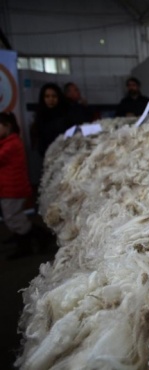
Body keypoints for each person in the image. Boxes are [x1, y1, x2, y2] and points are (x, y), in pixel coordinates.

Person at [0, 112, 35, 259]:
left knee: (13, 217)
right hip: (9, 188)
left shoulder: (11, 144)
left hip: (13, 190)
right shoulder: (8, 142)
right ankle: (28, 237)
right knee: (14, 216)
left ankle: (28, 242)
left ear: (7, 126)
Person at [31, 83, 70, 157]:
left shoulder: (66, 115)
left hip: (65, 155)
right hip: (47, 157)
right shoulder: (40, 116)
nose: (51, 99)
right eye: (47, 96)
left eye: (54, 96)